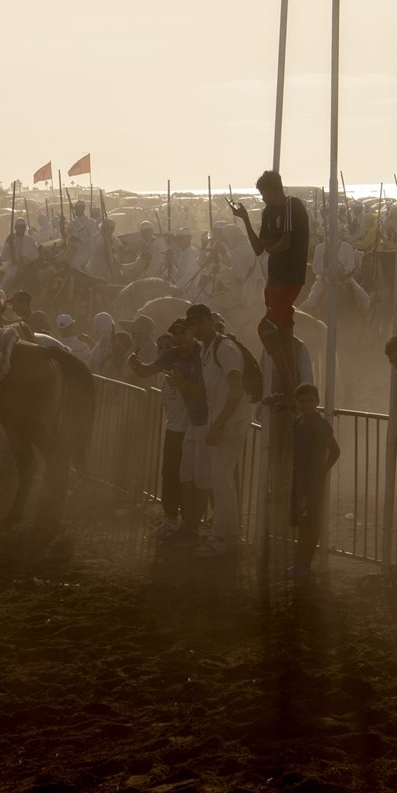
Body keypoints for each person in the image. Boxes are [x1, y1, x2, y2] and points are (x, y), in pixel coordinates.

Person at [232, 170, 310, 401]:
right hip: (274, 278)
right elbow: (259, 248)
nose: (263, 198)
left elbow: (284, 243)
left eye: (263, 193)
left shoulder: (290, 206)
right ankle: (292, 387)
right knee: (284, 334)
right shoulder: (268, 212)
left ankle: (290, 390)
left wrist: (270, 247)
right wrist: (245, 218)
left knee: (265, 329)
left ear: (273, 189)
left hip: (289, 277)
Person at [130, 319, 204, 539]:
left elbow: (200, 392)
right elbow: (143, 372)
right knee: (170, 475)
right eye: (160, 348)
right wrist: (133, 363)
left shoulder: (190, 365)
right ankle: (173, 519)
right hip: (173, 429)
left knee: (186, 477)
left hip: (189, 429)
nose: (164, 351)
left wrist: (183, 384)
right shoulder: (163, 369)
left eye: (168, 346)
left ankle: (187, 521)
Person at [186, 303, 248, 557]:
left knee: (220, 480)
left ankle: (219, 537)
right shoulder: (207, 349)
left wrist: (220, 424)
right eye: (193, 324)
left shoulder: (225, 348)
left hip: (229, 421)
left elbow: (236, 389)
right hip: (221, 419)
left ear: (211, 320)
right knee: (222, 480)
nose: (197, 328)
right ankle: (230, 534)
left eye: (201, 322)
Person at [286, 382, 340, 580]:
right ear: (296, 402)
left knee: (310, 524)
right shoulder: (298, 423)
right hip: (300, 480)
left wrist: (322, 471)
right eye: (302, 401)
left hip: (312, 483)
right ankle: (300, 563)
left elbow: (335, 451)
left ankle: (305, 566)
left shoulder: (320, 425)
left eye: (310, 400)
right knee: (303, 522)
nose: (306, 404)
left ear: (317, 401)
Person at [167, 229, 201, 294]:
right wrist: (170, 265)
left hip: (190, 293)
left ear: (188, 239)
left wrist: (172, 290)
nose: (179, 241)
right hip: (182, 290)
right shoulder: (183, 253)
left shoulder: (193, 253)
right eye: (178, 238)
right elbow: (178, 276)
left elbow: (186, 279)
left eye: (181, 238)